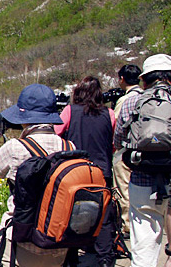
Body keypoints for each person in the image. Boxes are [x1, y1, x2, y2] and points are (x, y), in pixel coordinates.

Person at [0, 83, 71, 266]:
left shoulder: (16, 148)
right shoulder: (69, 147)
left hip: (22, 243)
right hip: (60, 244)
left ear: (24, 117)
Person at [114, 54, 171, 267]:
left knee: (144, 243)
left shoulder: (133, 101)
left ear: (144, 80)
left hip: (142, 180)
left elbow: (118, 139)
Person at [54, 76, 117, 266]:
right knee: (104, 214)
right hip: (102, 169)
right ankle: (105, 257)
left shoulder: (69, 111)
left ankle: (71, 255)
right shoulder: (109, 113)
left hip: (75, 169)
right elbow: (112, 143)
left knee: (72, 211)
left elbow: (56, 134)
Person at [113, 64, 142, 237]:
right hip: (146, 150)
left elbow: (117, 126)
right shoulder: (146, 96)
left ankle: (127, 226)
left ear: (122, 79)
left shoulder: (126, 100)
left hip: (126, 150)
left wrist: (116, 148)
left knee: (124, 189)